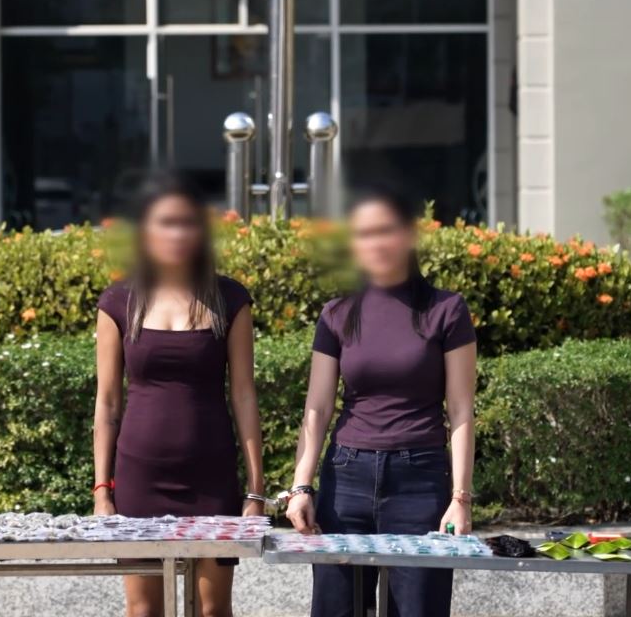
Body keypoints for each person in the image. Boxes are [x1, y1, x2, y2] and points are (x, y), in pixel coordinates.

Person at [285, 186, 479, 617]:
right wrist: (301, 487)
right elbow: (317, 408)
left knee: (417, 609)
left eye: (385, 230)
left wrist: (460, 498)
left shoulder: (446, 310)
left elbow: (461, 410)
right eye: (363, 233)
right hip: (346, 480)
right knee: (336, 609)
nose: (375, 243)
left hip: (419, 481)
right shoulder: (337, 313)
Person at [92, 171, 265, 617]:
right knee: (143, 610)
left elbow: (244, 396)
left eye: (188, 223)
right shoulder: (118, 302)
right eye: (166, 223)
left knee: (212, 610)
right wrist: (102, 491)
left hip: (212, 476)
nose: (178, 234)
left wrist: (256, 491)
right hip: (139, 477)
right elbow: (107, 404)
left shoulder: (230, 299)